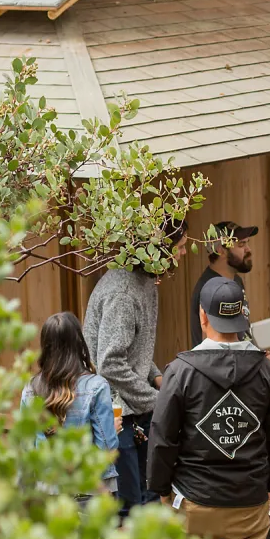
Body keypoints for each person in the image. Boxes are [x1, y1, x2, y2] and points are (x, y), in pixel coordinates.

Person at [148, 276, 270, 539]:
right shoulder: (266, 370)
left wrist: (161, 489)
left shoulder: (180, 371)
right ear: (241, 315)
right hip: (250, 500)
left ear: (203, 316)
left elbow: (162, 438)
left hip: (194, 501)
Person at [85, 220, 186, 515]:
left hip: (135, 406)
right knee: (130, 506)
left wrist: (155, 375)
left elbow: (133, 348)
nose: (181, 255)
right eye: (178, 248)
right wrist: (157, 399)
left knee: (151, 496)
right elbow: (110, 363)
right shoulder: (124, 293)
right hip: (116, 411)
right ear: (159, 248)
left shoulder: (146, 280)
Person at [21, 311, 120, 496]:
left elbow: (25, 451)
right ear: (78, 343)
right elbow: (106, 450)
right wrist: (112, 430)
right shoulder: (96, 386)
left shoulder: (30, 389)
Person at [190, 220, 257, 348]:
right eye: (241, 244)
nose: (248, 250)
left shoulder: (236, 280)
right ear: (221, 251)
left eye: (247, 243)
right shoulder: (209, 289)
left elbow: (243, 332)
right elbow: (211, 345)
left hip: (244, 360)